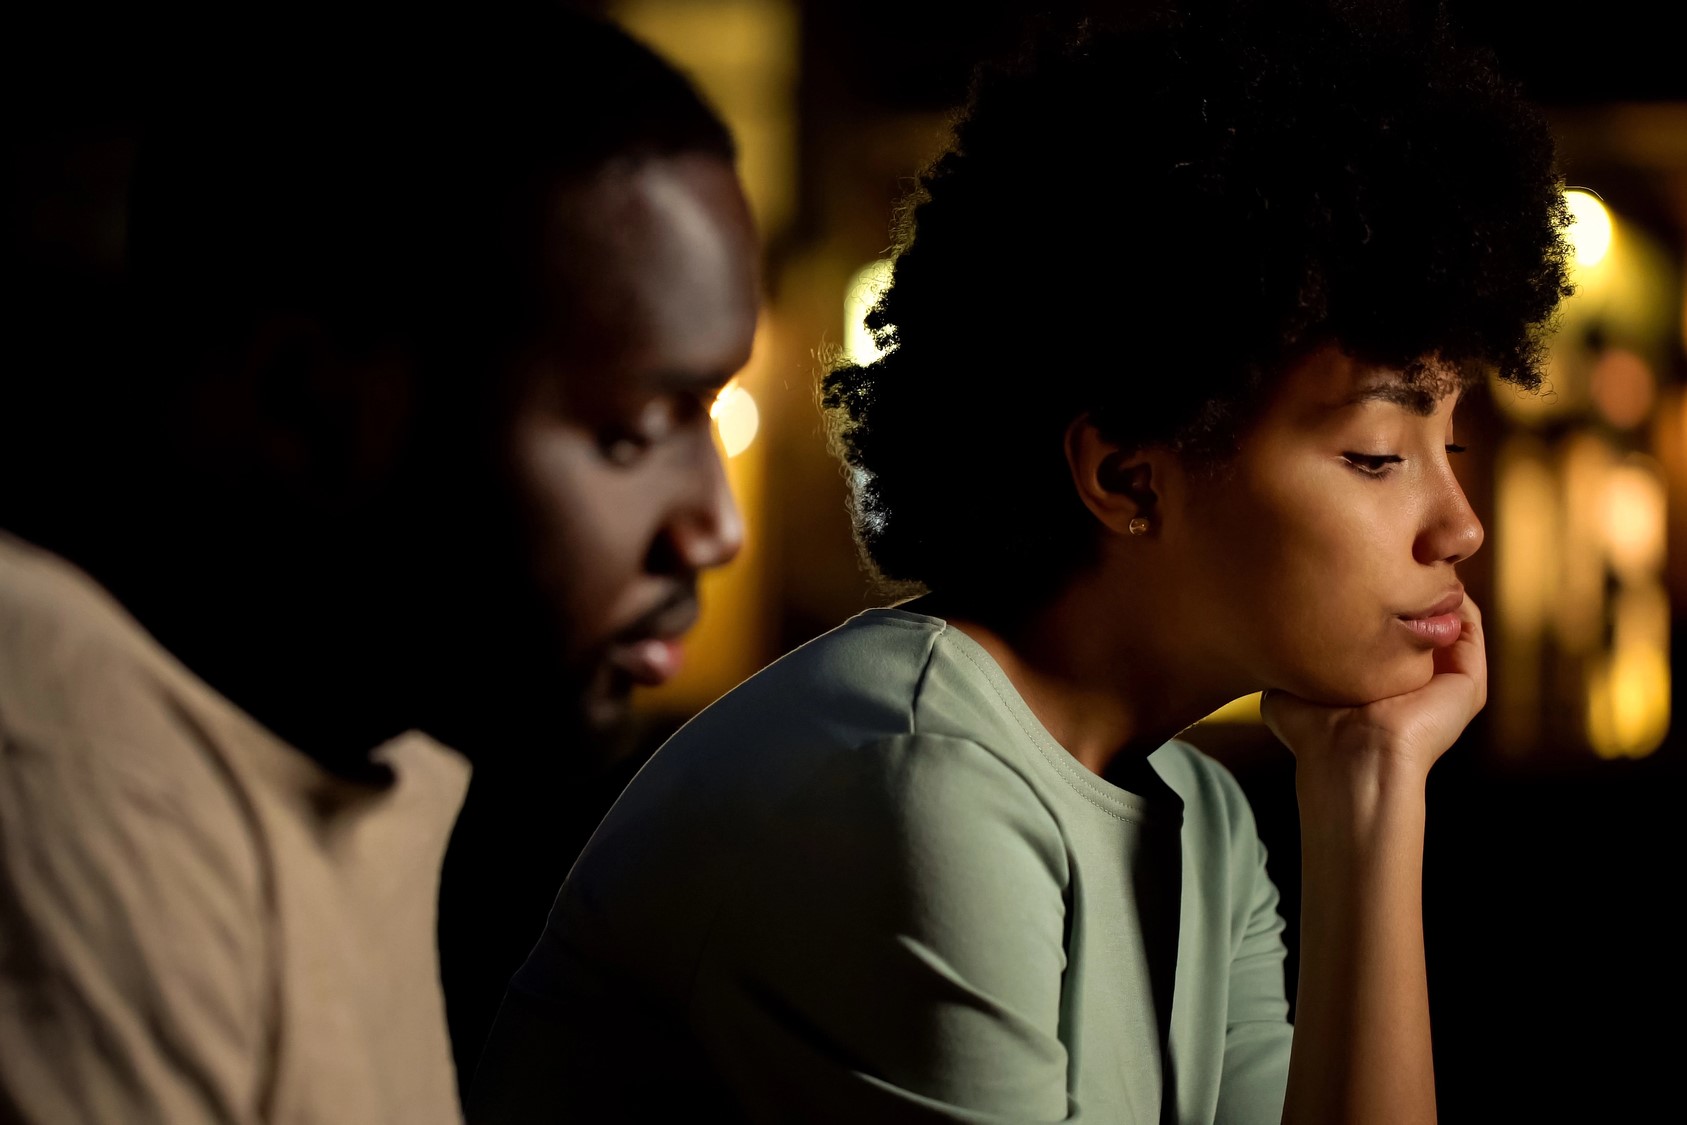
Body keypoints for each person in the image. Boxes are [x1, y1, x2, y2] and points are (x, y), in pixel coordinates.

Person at [470, 2, 1571, 1122]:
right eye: (1379, 457)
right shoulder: (910, 777)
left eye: (1453, 445)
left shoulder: (1198, 812)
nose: (1460, 526)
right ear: (1128, 479)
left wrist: (1370, 797)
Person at [0, 6, 757, 1122]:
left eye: (714, 412)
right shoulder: (62, 765)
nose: (714, 528)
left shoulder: (404, 733)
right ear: (308, 408)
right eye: (633, 431)